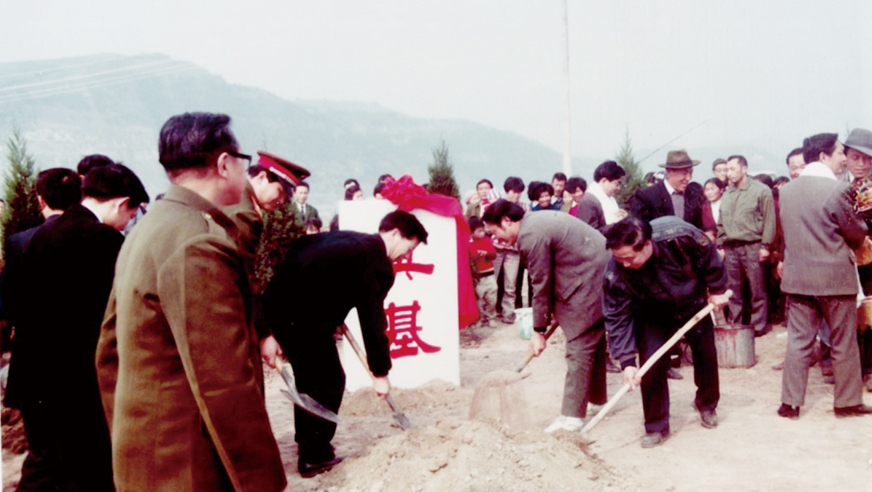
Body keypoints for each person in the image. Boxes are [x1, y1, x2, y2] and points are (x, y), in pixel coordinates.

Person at [95, 112, 289, 492]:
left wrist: (130, 437)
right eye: (243, 161)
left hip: (147, 454)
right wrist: (262, 482)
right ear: (224, 164)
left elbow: (108, 352)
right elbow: (224, 382)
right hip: (186, 463)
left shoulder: (149, 228)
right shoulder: (197, 240)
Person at [12, 163, 148, 491]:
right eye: (131, 213)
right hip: (77, 384)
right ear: (121, 203)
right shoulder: (104, 240)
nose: (129, 221)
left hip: (35, 380)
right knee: (89, 472)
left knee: (44, 469)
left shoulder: (43, 233)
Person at [263, 210, 428, 477]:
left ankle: (311, 445)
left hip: (283, 306)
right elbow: (373, 321)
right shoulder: (377, 263)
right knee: (327, 382)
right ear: (396, 234)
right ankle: (313, 456)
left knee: (313, 380)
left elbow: (307, 259)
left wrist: (333, 315)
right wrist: (380, 373)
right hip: (300, 318)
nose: (406, 256)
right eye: (409, 248)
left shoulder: (352, 241)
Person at [483, 200, 610, 433]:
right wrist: (550, 313)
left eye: (494, 232)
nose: (495, 239)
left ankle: (571, 417)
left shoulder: (530, 235)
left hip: (590, 276)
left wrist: (538, 331)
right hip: (591, 271)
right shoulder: (533, 223)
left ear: (506, 221)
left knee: (580, 343)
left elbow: (540, 283)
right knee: (593, 339)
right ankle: (597, 399)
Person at [603, 216, 729, 447]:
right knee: (651, 364)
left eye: (629, 258)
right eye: (619, 258)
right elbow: (617, 316)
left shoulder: (679, 235)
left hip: (692, 302)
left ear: (646, 244)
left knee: (706, 353)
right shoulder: (615, 271)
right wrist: (627, 361)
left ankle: (707, 404)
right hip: (652, 312)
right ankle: (656, 425)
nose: (625, 264)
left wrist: (717, 289)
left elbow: (709, 256)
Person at [777, 132, 872, 419]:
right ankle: (847, 402)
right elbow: (856, 232)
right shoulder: (838, 190)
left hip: (799, 279)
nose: (844, 158)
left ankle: (790, 403)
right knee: (844, 341)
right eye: (840, 152)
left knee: (798, 342)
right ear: (823, 156)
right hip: (835, 279)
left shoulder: (787, 191)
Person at [224, 151, 309, 368]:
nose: (282, 202)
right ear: (262, 178)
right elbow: (245, 277)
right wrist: (264, 334)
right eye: (280, 192)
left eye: (286, 198)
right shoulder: (244, 214)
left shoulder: (236, 197)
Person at [717, 155, 777, 336]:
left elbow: (769, 220)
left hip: (753, 245)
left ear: (744, 169)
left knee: (757, 288)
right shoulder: (727, 194)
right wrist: (720, 244)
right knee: (733, 290)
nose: (728, 173)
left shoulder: (761, 190)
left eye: (732, 169)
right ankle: (735, 324)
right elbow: (721, 222)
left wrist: (765, 246)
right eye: (726, 170)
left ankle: (758, 326)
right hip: (731, 247)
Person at [843, 128, 872, 392]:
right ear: (845, 157)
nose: (861, 164)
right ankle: (853, 368)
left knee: (871, 314)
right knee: (849, 315)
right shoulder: (838, 184)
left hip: (871, 263)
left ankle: (870, 369)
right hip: (845, 261)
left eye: (867, 158)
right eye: (855, 157)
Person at [631, 150, 705, 229]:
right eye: (684, 173)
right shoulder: (647, 196)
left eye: (691, 173)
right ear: (669, 172)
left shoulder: (692, 194)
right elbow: (639, 230)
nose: (688, 178)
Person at [493, 177, 526, 323]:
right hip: (497, 249)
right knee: (492, 283)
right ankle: (488, 314)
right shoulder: (498, 205)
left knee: (510, 285)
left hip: (514, 250)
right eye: (513, 191)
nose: (516, 195)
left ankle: (509, 315)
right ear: (507, 191)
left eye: (519, 192)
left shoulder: (524, 207)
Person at [468, 216, 498, 328]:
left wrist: (486, 253)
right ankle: (479, 318)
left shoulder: (487, 241)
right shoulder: (469, 243)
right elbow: (470, 258)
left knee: (492, 298)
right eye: (479, 231)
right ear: (472, 232)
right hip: (478, 277)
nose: (482, 233)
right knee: (479, 300)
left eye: (483, 230)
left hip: (489, 274)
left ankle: (491, 317)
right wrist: (476, 254)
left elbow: (494, 255)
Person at [701, 177, 726, 241]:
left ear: (721, 190)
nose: (709, 192)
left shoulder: (727, 204)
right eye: (707, 190)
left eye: (712, 189)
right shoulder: (704, 207)